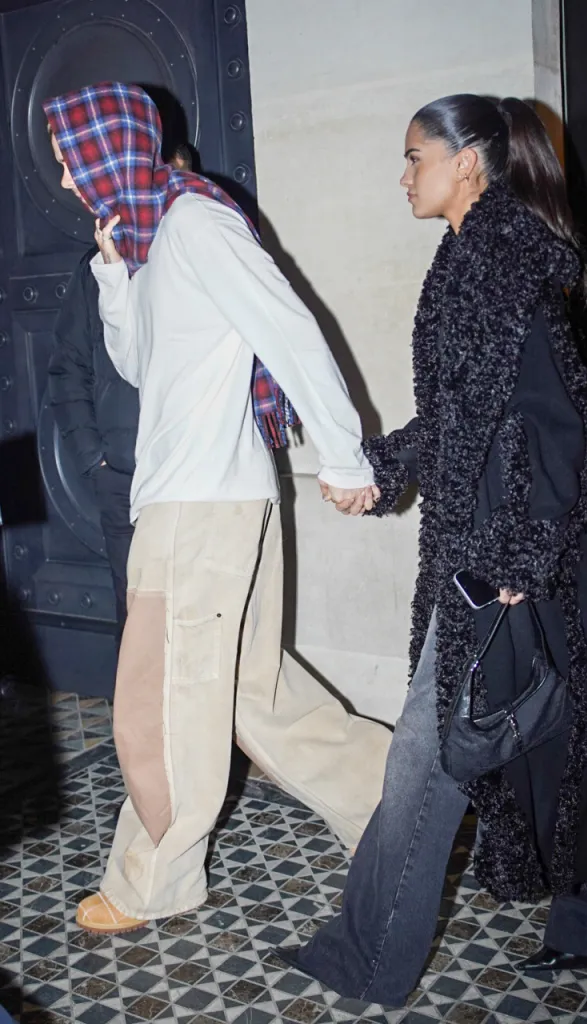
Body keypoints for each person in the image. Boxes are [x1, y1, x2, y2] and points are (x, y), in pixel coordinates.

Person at [276, 95, 587, 1007]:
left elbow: (572, 440)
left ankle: (368, 958)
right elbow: (459, 421)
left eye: (415, 157)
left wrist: (516, 566)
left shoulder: (501, 265)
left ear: (469, 163)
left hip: (516, 559)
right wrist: (377, 465)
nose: (403, 175)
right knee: (557, 743)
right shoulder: (467, 259)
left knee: (426, 755)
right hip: (500, 545)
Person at [44, 82, 392, 934]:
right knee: (250, 693)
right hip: (201, 499)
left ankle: (153, 881)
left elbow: (290, 326)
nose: (64, 182)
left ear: (111, 150)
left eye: (70, 162)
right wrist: (114, 274)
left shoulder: (197, 222)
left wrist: (343, 453)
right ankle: (402, 801)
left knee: (156, 702)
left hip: (199, 506)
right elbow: (136, 365)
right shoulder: (157, 239)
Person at [48, 142, 193, 638]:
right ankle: (141, 719)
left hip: (192, 472)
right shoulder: (96, 268)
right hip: (122, 478)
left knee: (197, 618)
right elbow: (68, 367)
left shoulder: (199, 251)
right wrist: (96, 457)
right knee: (135, 621)